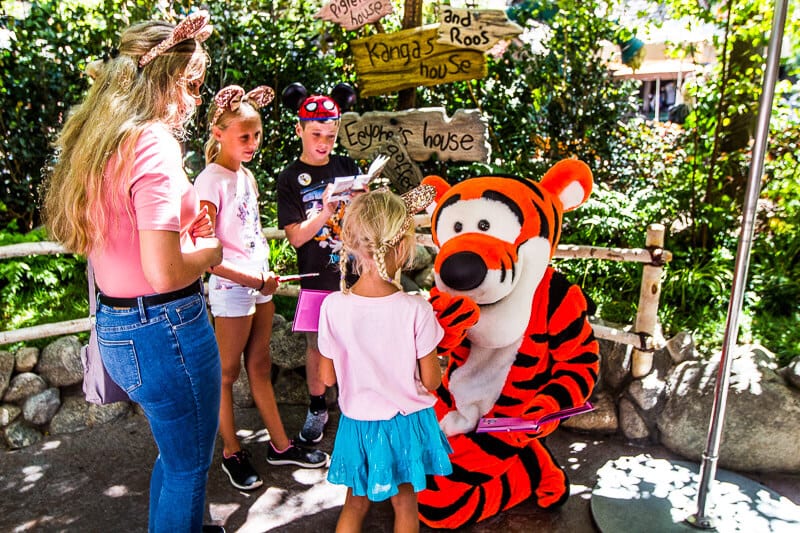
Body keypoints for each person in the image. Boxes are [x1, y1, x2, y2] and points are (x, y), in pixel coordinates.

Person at [42, 11, 226, 533]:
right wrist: (209, 251)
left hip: (119, 327)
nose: (194, 100)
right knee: (190, 466)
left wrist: (187, 225)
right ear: (167, 80)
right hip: (165, 326)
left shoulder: (100, 144)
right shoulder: (153, 143)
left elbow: (125, 240)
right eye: (191, 85)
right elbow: (165, 272)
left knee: (175, 457)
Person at [194, 85, 328, 491]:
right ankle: (231, 451)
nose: (253, 144)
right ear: (219, 133)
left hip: (261, 282)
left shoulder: (246, 175)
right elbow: (206, 254)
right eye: (244, 136)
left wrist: (262, 276)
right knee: (225, 372)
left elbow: (247, 233)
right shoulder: (208, 181)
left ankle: (280, 445)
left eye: (257, 136)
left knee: (260, 365)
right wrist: (251, 278)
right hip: (235, 287)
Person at [317, 187, 453, 532]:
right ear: (405, 246)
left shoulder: (333, 307)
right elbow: (432, 381)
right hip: (406, 424)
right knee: (406, 506)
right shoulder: (416, 310)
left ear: (352, 242)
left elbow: (327, 379)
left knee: (355, 503)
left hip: (358, 424)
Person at [276, 83, 359, 444]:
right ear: (299, 130)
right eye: (315, 134)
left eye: (330, 134)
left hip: (354, 276)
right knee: (316, 347)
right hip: (315, 279)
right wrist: (325, 211)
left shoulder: (347, 166)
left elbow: (362, 220)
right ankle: (317, 407)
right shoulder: (290, 178)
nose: (324, 142)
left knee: (357, 344)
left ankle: (357, 407)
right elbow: (295, 236)